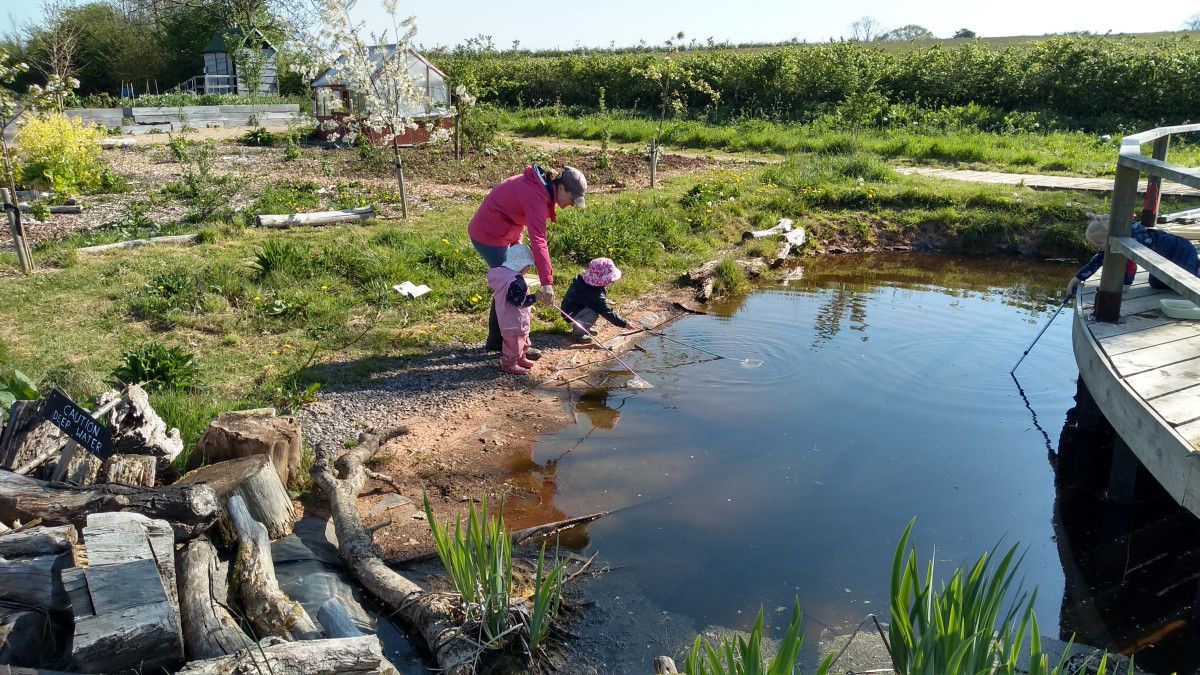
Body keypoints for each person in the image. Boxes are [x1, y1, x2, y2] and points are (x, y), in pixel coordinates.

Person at [469, 165, 589, 356]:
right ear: (562, 188)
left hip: (507, 232)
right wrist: (547, 283)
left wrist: (517, 244)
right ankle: (506, 345)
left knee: (509, 284)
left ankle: (500, 341)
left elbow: (518, 214)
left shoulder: (543, 189)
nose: (571, 204)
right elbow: (539, 239)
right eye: (572, 199)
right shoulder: (537, 194)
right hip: (489, 234)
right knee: (509, 285)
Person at [1068, 214, 1200, 297]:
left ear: (1109, 235)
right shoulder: (1114, 241)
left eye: (1098, 243)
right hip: (1163, 260)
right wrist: (1077, 279)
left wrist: (1125, 285)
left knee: (1187, 285)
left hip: (1181, 251)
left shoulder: (1132, 240)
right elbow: (1097, 261)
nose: (1097, 247)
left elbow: (1131, 265)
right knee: (1156, 284)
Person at [486, 244, 538, 375]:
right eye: (528, 265)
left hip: (515, 317)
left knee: (524, 339)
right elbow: (519, 301)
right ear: (521, 264)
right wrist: (535, 297)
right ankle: (509, 363)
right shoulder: (514, 282)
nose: (529, 268)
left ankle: (521, 357)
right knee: (514, 343)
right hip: (512, 319)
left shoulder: (506, 275)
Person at [560, 257, 629, 343]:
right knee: (594, 313)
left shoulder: (583, 280)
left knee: (593, 309)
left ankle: (585, 327)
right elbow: (607, 312)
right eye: (610, 279)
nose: (612, 281)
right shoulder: (594, 294)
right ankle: (577, 334)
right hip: (569, 313)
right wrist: (624, 324)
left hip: (569, 307)